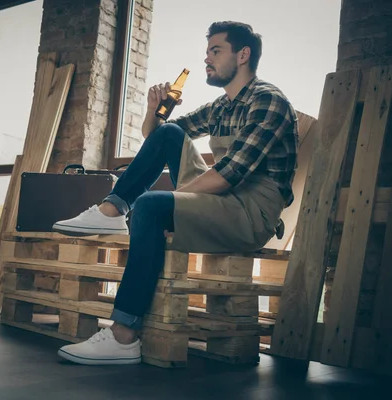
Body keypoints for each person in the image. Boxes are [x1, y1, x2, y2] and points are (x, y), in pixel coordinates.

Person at [53, 21, 299, 365]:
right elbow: (156, 136)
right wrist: (155, 112)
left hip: (250, 213)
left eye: (216, 51)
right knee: (169, 133)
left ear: (243, 55)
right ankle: (112, 209)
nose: (206, 59)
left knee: (152, 206)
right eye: (207, 51)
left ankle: (123, 337)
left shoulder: (268, 101)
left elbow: (228, 175)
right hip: (223, 200)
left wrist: (175, 202)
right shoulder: (220, 107)